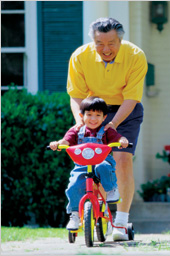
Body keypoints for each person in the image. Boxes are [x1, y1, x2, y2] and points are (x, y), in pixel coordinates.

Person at [67, 17, 148, 241]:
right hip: (93, 112)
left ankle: (121, 221)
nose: (106, 49)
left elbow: (131, 98)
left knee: (122, 159)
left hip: (125, 111)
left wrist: (112, 125)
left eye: (111, 43)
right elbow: (76, 94)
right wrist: (80, 120)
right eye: (100, 43)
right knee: (96, 162)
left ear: (120, 39)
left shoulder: (135, 56)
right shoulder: (80, 57)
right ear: (92, 41)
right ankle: (98, 211)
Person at [49, 96, 129, 231]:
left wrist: (123, 140)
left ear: (104, 118)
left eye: (98, 115)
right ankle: (74, 215)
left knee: (103, 166)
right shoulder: (76, 130)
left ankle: (111, 190)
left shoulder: (107, 130)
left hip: (102, 161)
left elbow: (118, 138)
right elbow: (66, 141)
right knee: (74, 184)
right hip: (82, 165)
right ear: (82, 115)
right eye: (89, 114)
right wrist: (57, 144)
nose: (93, 119)